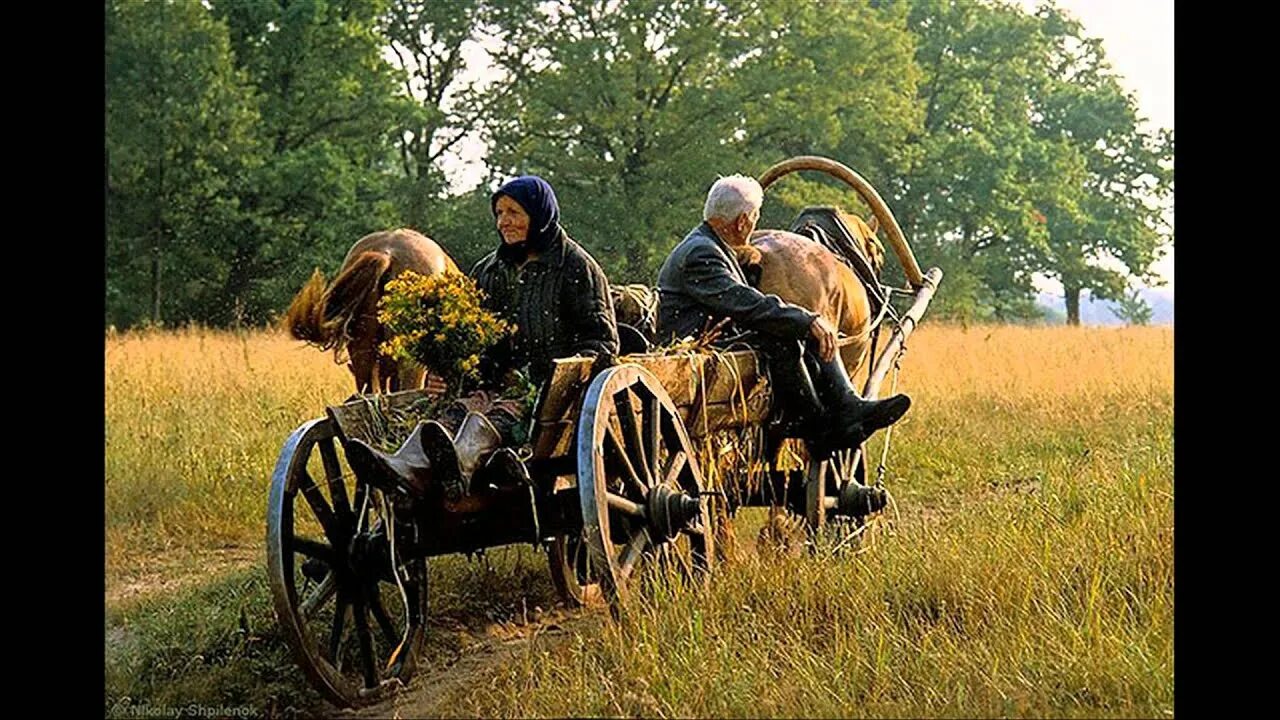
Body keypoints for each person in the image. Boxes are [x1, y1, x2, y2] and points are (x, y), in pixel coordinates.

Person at [349, 175, 619, 502]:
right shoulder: (488, 271)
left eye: (514, 213)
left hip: (549, 393)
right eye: (499, 213)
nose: (504, 221)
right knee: (454, 413)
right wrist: (448, 370)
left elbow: (602, 340)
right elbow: (469, 338)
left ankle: (459, 464)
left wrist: (560, 375)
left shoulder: (577, 268)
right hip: (491, 382)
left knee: (499, 413)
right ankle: (404, 467)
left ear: (540, 214)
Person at [655, 174, 910, 454]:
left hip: (710, 334)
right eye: (754, 218)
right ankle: (817, 424)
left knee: (789, 327)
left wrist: (801, 320)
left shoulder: (708, 244)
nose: (754, 226)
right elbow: (744, 303)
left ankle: (848, 407)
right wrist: (808, 319)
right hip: (692, 345)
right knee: (784, 336)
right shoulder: (702, 253)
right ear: (742, 221)